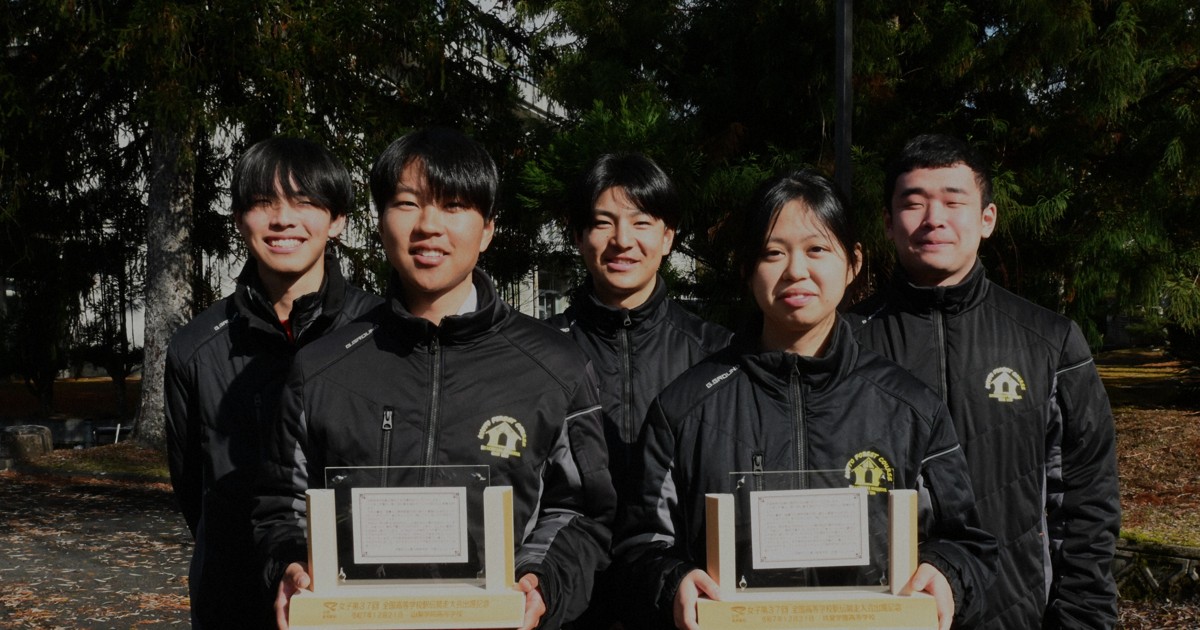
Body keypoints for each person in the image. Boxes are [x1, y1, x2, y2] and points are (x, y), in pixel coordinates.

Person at [253, 127, 616, 630]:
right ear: (380, 221)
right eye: (407, 203)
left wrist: (541, 582)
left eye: (454, 206)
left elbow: (580, 510)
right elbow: (282, 506)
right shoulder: (322, 366)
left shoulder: (556, 366)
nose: (428, 225)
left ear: (487, 229)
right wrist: (291, 566)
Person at [614, 169, 995, 630]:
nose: (796, 271)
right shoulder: (685, 408)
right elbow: (639, 544)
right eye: (773, 253)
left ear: (853, 262)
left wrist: (946, 574)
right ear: (746, 268)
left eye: (817, 250)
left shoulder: (910, 407)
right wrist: (673, 581)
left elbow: (965, 543)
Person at [850, 133, 1120, 628]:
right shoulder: (844, 343)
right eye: (914, 203)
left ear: (987, 219)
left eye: (954, 202)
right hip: (882, 613)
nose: (934, 219)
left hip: (1018, 612)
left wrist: (1082, 617)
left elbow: (1087, 499)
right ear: (888, 222)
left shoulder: (1049, 340)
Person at [165, 137, 382, 629]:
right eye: (264, 202)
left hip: (362, 595)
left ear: (338, 220)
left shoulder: (382, 332)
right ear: (239, 219)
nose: (283, 219)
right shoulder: (196, 346)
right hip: (235, 596)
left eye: (304, 202)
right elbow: (192, 483)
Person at [547, 154, 731, 629]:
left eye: (641, 222)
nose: (622, 240)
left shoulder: (718, 355)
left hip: (682, 602)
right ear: (577, 236)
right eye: (602, 223)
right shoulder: (539, 355)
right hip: (563, 602)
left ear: (668, 237)